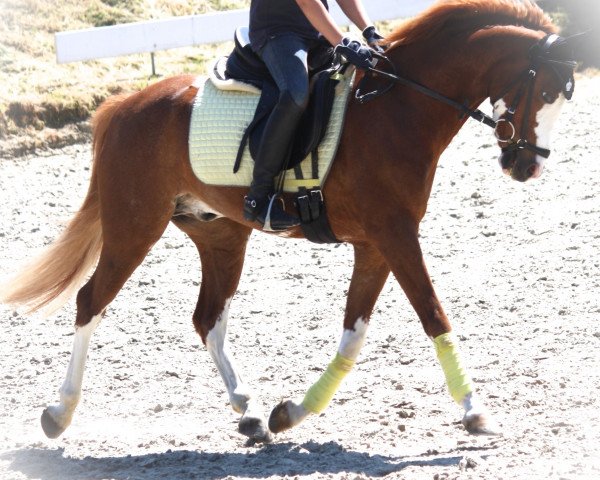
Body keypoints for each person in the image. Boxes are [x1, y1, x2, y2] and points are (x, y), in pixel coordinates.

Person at [243, 0, 384, 231]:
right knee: (296, 94)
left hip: (314, 32)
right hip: (277, 33)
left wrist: (370, 31)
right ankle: (258, 197)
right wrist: (342, 42)